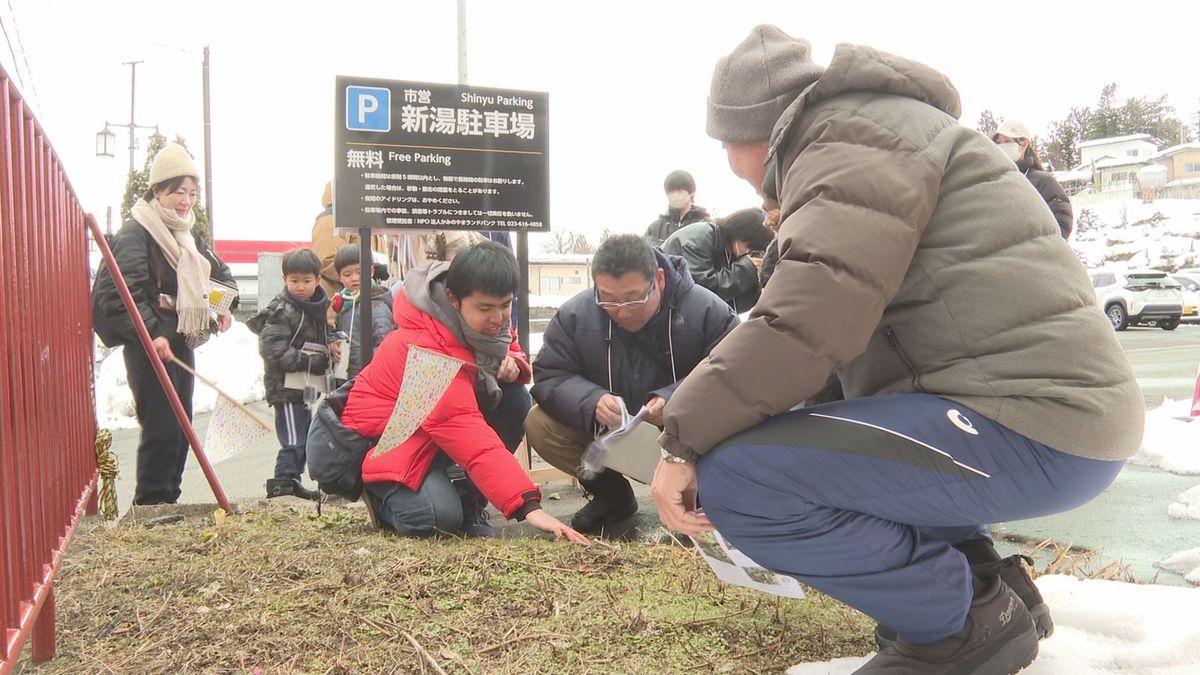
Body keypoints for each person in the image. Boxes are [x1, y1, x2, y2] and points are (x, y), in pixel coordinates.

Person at [652, 26, 1142, 675]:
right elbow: (829, 349)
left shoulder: (846, 144)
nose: (725, 161)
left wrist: (685, 440)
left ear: (752, 129)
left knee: (740, 479)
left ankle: (962, 625)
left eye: (723, 141)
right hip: (1043, 415)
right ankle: (990, 584)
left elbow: (809, 319)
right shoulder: (874, 134)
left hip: (1035, 421)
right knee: (816, 450)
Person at [340, 242, 587, 543]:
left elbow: (512, 350)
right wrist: (528, 506)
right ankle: (381, 496)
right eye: (485, 307)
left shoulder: (485, 327)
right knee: (435, 519)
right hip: (392, 440)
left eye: (505, 305)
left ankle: (471, 499)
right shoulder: (426, 346)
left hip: (436, 434)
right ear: (453, 299)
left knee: (514, 398)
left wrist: (516, 364)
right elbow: (460, 425)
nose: (497, 318)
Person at [526, 234, 738, 534]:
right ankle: (613, 496)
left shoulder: (707, 311)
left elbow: (734, 374)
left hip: (689, 436)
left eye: (634, 298)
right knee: (540, 423)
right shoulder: (576, 315)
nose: (622, 310)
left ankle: (701, 498)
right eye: (608, 299)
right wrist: (591, 400)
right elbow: (550, 375)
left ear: (660, 280)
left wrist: (675, 399)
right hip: (616, 433)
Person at [91, 142, 238, 506]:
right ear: (157, 191)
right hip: (147, 339)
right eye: (177, 193)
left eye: (191, 193)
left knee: (182, 425)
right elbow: (125, 293)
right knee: (161, 425)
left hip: (181, 337)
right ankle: (151, 503)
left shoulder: (188, 235)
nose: (185, 202)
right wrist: (151, 334)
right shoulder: (136, 231)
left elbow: (222, 277)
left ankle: (168, 499)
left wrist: (219, 307)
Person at [246, 248, 330, 501]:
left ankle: (291, 481)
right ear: (285, 280)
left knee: (302, 436)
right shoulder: (282, 310)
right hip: (285, 388)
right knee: (294, 439)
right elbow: (271, 349)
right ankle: (282, 483)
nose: (301, 287)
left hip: (303, 387)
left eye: (307, 281)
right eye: (294, 281)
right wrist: (309, 361)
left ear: (318, 280)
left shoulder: (315, 308)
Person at [660, 208, 773, 313]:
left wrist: (757, 285)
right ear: (742, 235)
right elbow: (703, 291)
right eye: (751, 247)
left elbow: (733, 305)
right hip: (667, 310)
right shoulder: (698, 239)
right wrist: (746, 269)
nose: (750, 253)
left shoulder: (729, 250)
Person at [992, 120, 1074, 239]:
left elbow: (1062, 223)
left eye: (1007, 141)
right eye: (998, 142)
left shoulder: (1042, 182)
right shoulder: (995, 180)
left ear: (1023, 144)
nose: (1001, 147)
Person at [331, 244, 397, 384]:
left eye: (360, 272)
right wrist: (333, 344)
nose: (354, 278)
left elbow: (383, 343)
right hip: (344, 375)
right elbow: (337, 332)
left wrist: (372, 374)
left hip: (366, 378)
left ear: (371, 271)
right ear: (339, 277)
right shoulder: (344, 303)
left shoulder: (376, 304)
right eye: (347, 274)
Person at [644, 170, 713, 247]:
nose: (675, 196)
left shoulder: (707, 226)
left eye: (679, 191)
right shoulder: (655, 228)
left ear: (691, 192)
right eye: (671, 192)